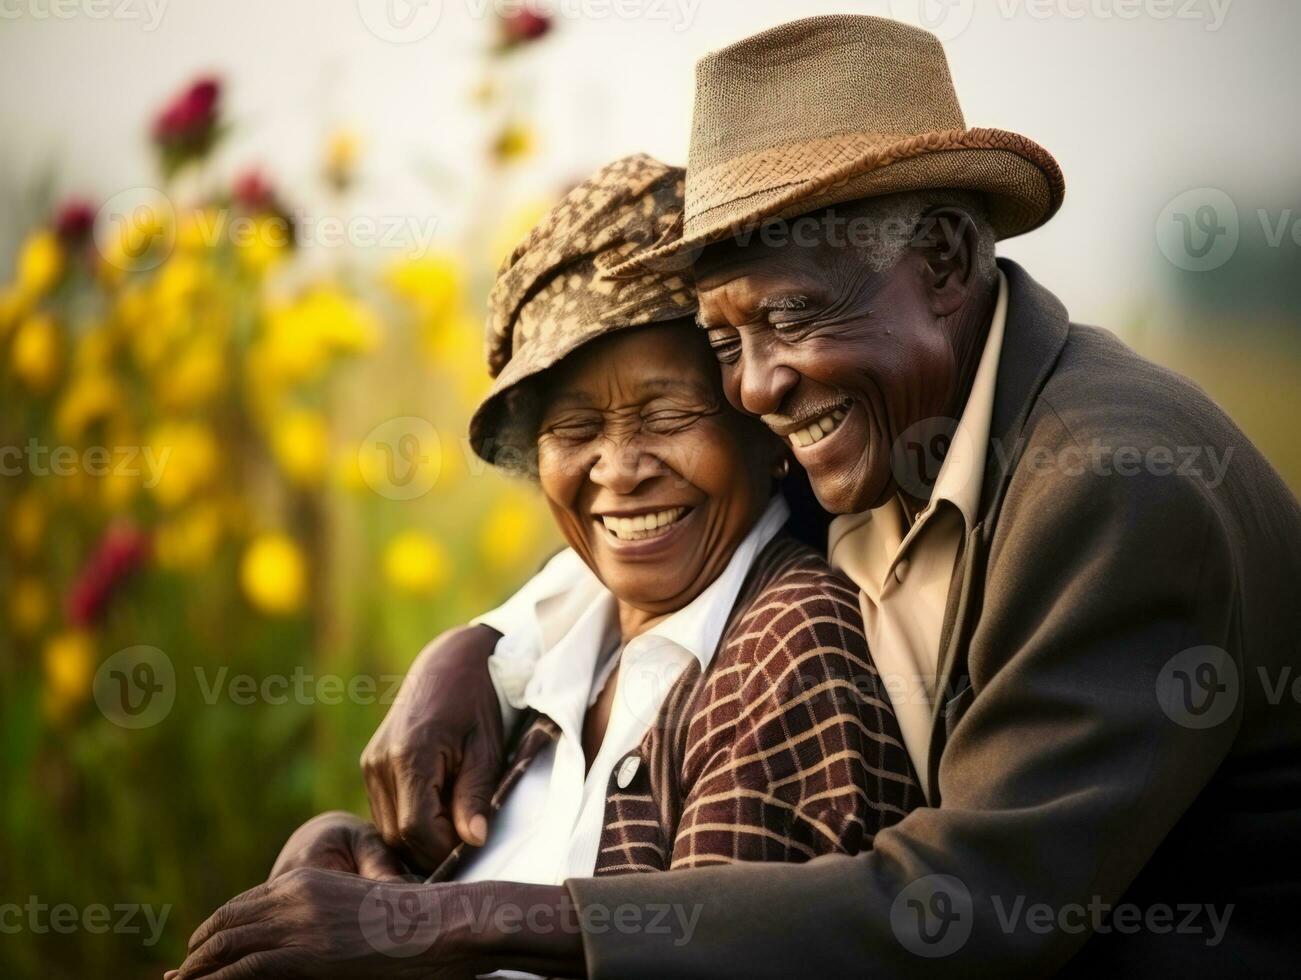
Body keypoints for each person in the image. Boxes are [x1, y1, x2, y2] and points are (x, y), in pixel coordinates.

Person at [354, 15, 1301, 977]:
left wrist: (457, 924)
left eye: (792, 313)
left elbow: (967, 906)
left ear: (940, 261)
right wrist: (479, 649)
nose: (757, 389)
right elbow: (668, 530)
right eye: (725, 343)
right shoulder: (882, 422)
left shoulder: (1105, 485)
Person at [168, 154, 920, 980]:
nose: (619, 469)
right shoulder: (550, 659)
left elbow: (721, 952)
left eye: (667, 414)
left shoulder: (788, 645)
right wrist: (345, 859)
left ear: (761, 426)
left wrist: (404, 929)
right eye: (572, 431)